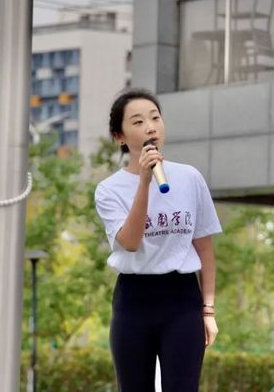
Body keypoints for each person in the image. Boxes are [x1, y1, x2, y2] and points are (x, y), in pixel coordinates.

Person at [94, 88, 222, 391]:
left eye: (155, 118)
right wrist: (144, 182)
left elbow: (204, 249)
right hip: (134, 300)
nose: (150, 127)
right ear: (119, 137)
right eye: (138, 122)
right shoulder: (109, 190)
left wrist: (208, 309)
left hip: (182, 298)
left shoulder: (190, 178)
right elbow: (130, 242)